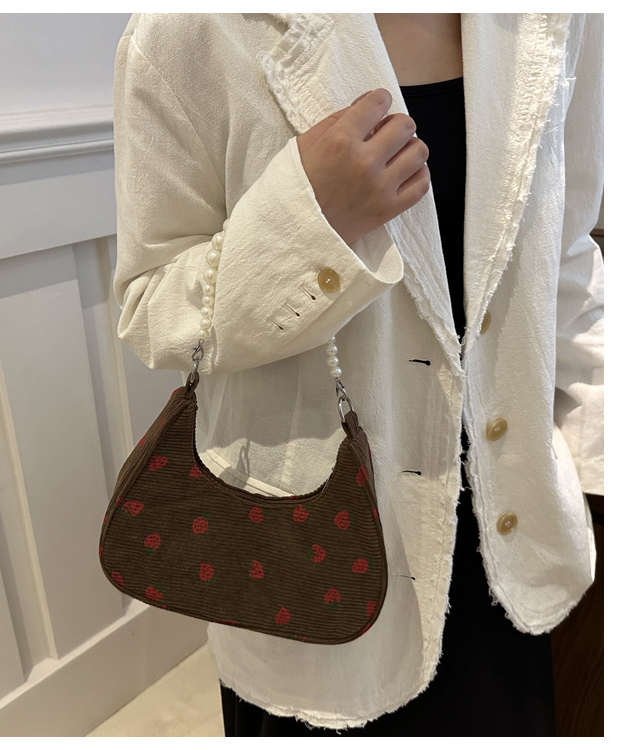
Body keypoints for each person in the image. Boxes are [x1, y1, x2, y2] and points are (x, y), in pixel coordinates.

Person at [111, 13, 604, 736]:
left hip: (510, 541)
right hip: (309, 561)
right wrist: (308, 223)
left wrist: (594, 460)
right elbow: (150, 309)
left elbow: (567, 254)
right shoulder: (190, 29)